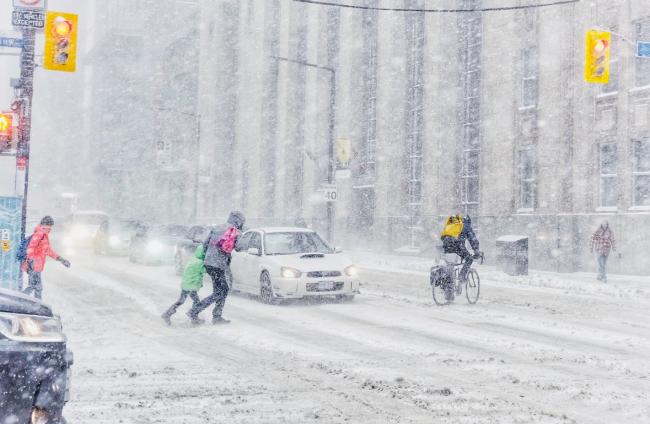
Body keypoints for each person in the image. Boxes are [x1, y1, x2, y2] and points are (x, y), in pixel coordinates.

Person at [187, 211, 245, 325]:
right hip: (219, 265)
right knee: (223, 291)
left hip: (209, 263)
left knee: (219, 290)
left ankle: (216, 316)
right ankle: (195, 311)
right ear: (238, 221)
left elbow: (204, 245)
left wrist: (208, 257)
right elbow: (239, 248)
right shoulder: (235, 232)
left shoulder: (216, 228)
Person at [21, 216, 71, 299]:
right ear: (47, 224)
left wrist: (61, 259)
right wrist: (30, 261)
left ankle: (35, 304)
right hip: (34, 264)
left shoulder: (43, 235)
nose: (51, 228)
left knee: (36, 287)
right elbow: (30, 248)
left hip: (36, 265)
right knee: (35, 286)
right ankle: (24, 301)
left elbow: (48, 251)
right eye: (50, 225)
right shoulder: (40, 234)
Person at [161, 244, 206, 325]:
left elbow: (194, 274)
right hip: (190, 286)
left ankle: (167, 313)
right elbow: (204, 271)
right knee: (197, 302)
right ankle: (193, 317)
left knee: (181, 301)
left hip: (186, 284)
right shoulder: (200, 263)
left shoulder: (194, 260)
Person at [440, 214, 481, 283]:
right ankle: (462, 276)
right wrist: (476, 251)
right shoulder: (466, 225)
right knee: (469, 259)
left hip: (446, 243)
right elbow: (472, 239)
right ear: (468, 221)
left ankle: (449, 284)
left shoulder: (452, 224)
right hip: (456, 244)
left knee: (450, 263)